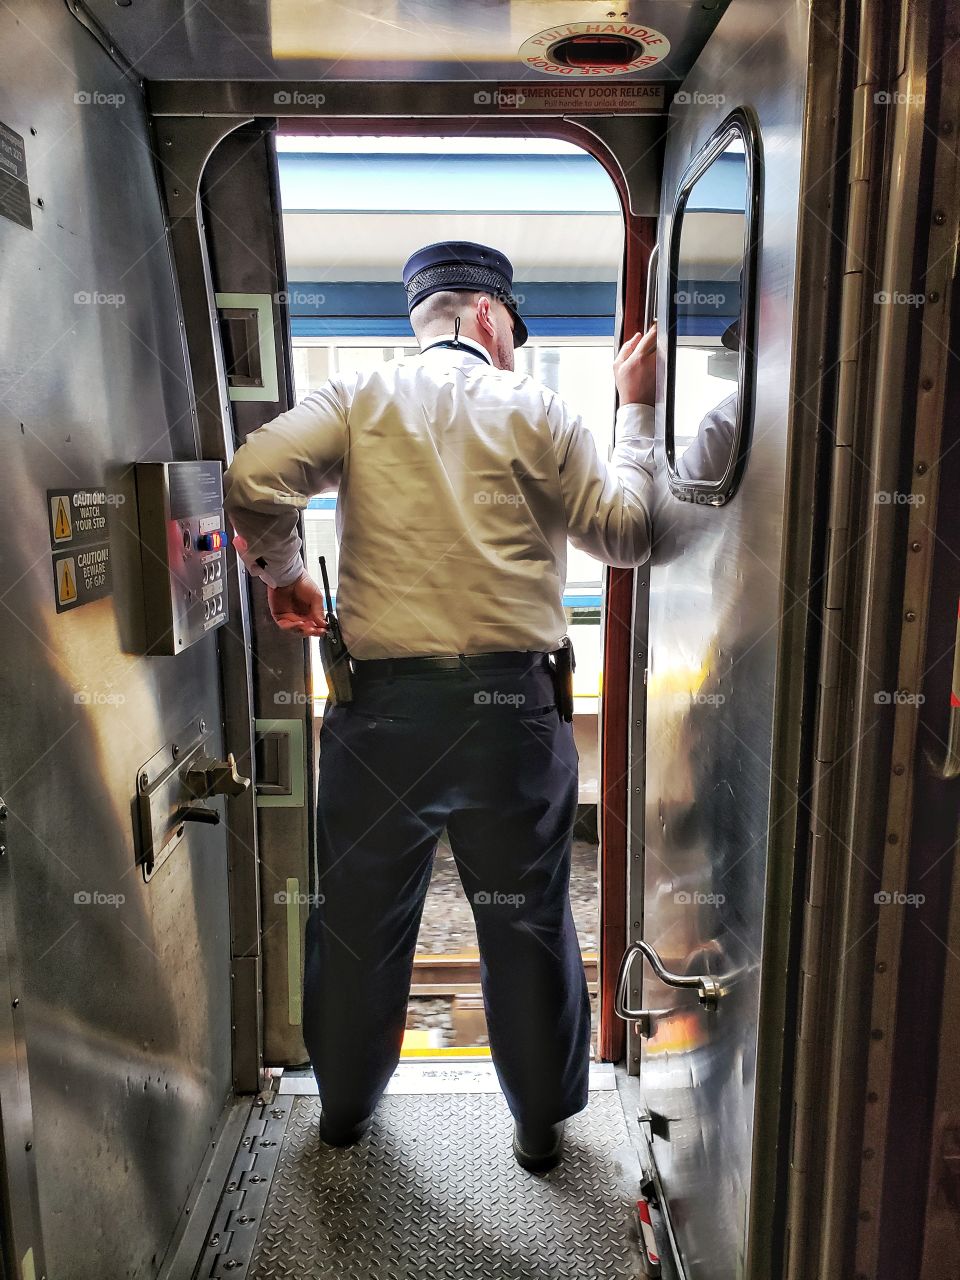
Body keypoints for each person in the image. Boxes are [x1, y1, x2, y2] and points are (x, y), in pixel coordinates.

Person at [222, 240, 657, 1173]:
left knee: (358, 921)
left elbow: (253, 480)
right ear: (494, 320)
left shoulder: (358, 399)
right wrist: (640, 413)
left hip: (384, 717)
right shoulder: (537, 407)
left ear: (423, 317)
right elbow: (627, 535)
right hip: (512, 716)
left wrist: (290, 578)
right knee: (526, 919)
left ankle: (342, 1117)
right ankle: (538, 1129)